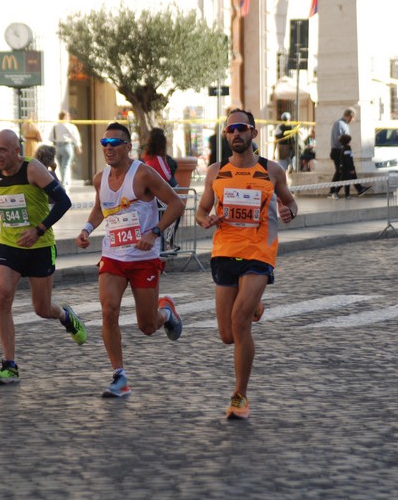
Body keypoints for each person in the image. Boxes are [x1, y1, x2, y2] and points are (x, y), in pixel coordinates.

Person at [196, 108, 298, 420]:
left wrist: (290, 211)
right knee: (227, 335)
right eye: (230, 130)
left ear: (253, 133)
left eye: (241, 128)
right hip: (224, 252)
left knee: (240, 323)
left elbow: (290, 201)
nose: (236, 134)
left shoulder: (273, 170)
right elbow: (201, 210)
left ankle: (239, 396)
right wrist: (205, 220)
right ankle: (254, 306)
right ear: (226, 135)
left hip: (259, 253)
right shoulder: (216, 171)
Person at [75, 122, 185, 398]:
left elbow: (176, 204)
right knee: (108, 311)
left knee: (147, 326)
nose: (108, 148)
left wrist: (154, 232)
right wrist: (87, 229)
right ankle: (119, 376)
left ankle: (166, 313)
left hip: (143, 258)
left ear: (128, 147)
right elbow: (100, 208)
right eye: (104, 143)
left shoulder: (143, 174)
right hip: (113, 254)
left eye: (114, 144)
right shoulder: (100, 178)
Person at [0, 129, 87, 385]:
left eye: (3, 150)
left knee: (42, 309)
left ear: (17, 151)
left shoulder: (33, 170)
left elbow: (63, 202)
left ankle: (65, 316)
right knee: (2, 297)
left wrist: (39, 230)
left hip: (39, 246)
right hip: (8, 245)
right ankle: (10, 364)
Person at [141, 127, 181, 251]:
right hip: (161, 196)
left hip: (153, 195)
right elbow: (166, 175)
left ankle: (164, 245)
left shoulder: (147, 157)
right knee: (171, 217)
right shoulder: (158, 159)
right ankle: (166, 245)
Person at [49, 110, 82, 192]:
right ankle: (64, 185)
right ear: (65, 117)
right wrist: (78, 146)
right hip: (67, 146)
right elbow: (75, 137)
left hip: (57, 146)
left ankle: (63, 183)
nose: (69, 117)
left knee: (61, 167)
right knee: (66, 166)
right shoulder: (70, 126)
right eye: (68, 116)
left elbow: (51, 138)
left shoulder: (55, 126)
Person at [328, 107, 355, 198]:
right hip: (338, 151)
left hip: (341, 150)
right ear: (349, 116)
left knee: (341, 172)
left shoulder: (344, 124)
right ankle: (333, 191)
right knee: (340, 172)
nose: (351, 120)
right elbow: (338, 138)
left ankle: (334, 191)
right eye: (352, 118)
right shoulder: (339, 123)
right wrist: (344, 148)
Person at [335, 134, 371, 199]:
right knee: (345, 180)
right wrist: (351, 168)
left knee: (351, 179)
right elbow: (348, 160)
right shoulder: (347, 149)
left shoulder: (344, 148)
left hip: (345, 168)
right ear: (348, 141)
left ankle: (359, 190)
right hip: (347, 168)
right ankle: (338, 193)